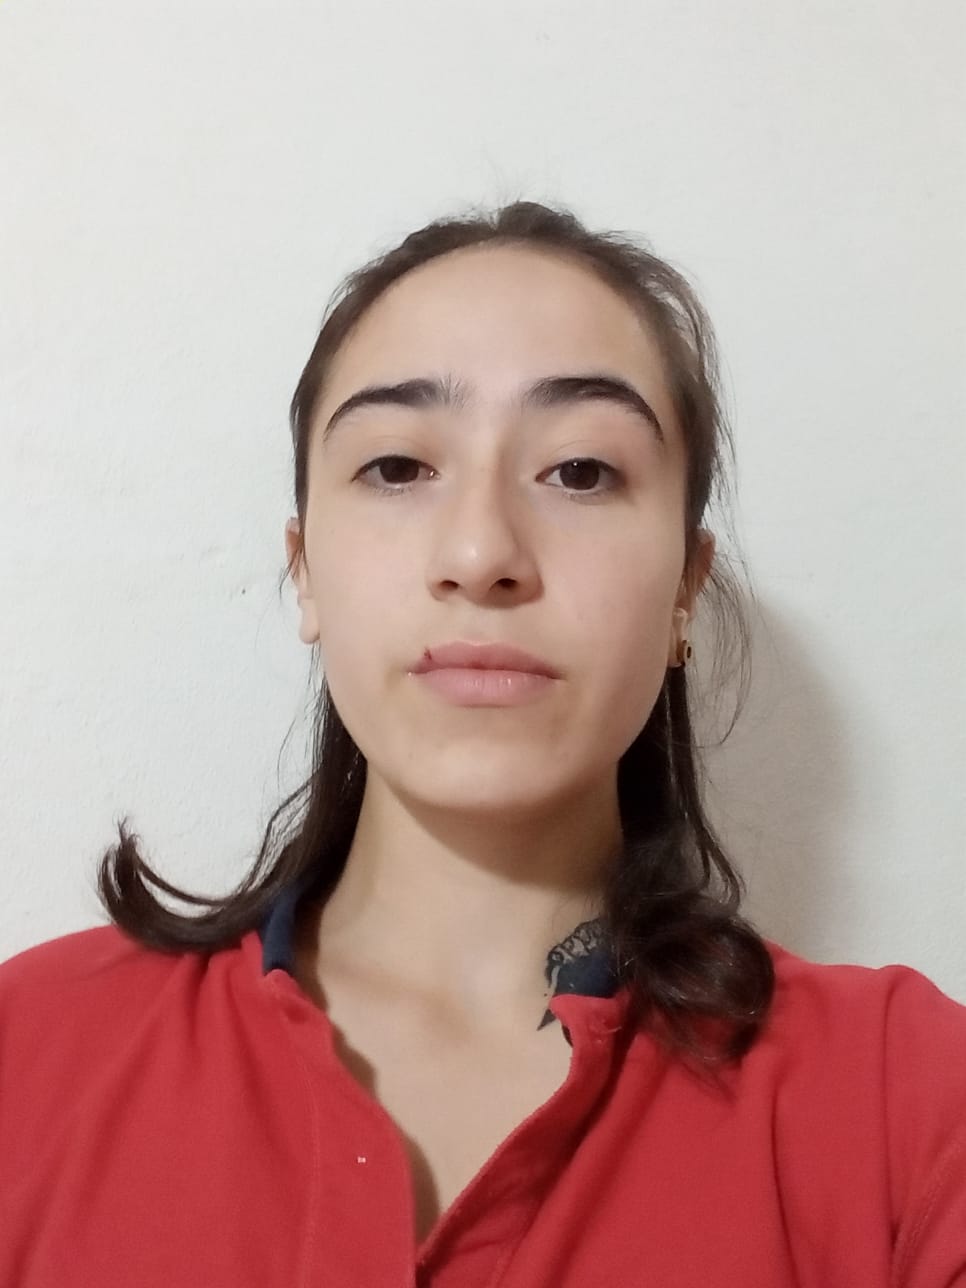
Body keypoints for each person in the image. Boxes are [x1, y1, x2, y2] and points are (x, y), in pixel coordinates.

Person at [1, 199, 964, 1288]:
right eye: (398, 467)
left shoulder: (912, 1108)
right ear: (304, 569)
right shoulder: (29, 1055)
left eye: (581, 470)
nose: (480, 551)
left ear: (687, 590)